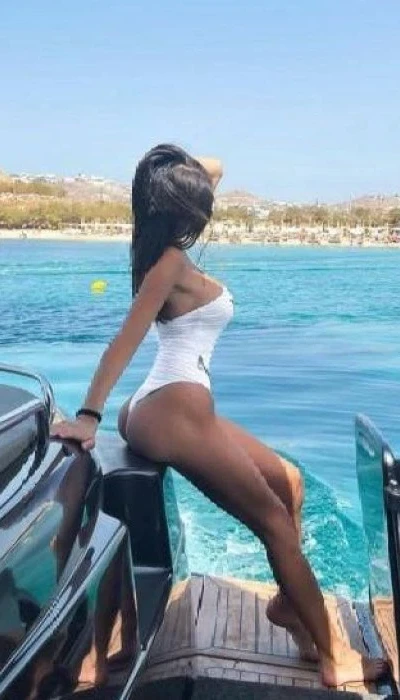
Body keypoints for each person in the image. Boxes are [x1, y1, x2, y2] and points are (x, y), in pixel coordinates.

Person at [51, 144, 387, 687]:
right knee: (274, 523)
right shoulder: (168, 263)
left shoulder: (160, 248)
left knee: (290, 482)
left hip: (171, 402)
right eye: (199, 206)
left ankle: (289, 605)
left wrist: (164, 172)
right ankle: (332, 655)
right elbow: (123, 344)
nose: (207, 215)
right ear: (179, 210)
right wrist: (89, 415)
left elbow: (214, 166)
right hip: (170, 409)